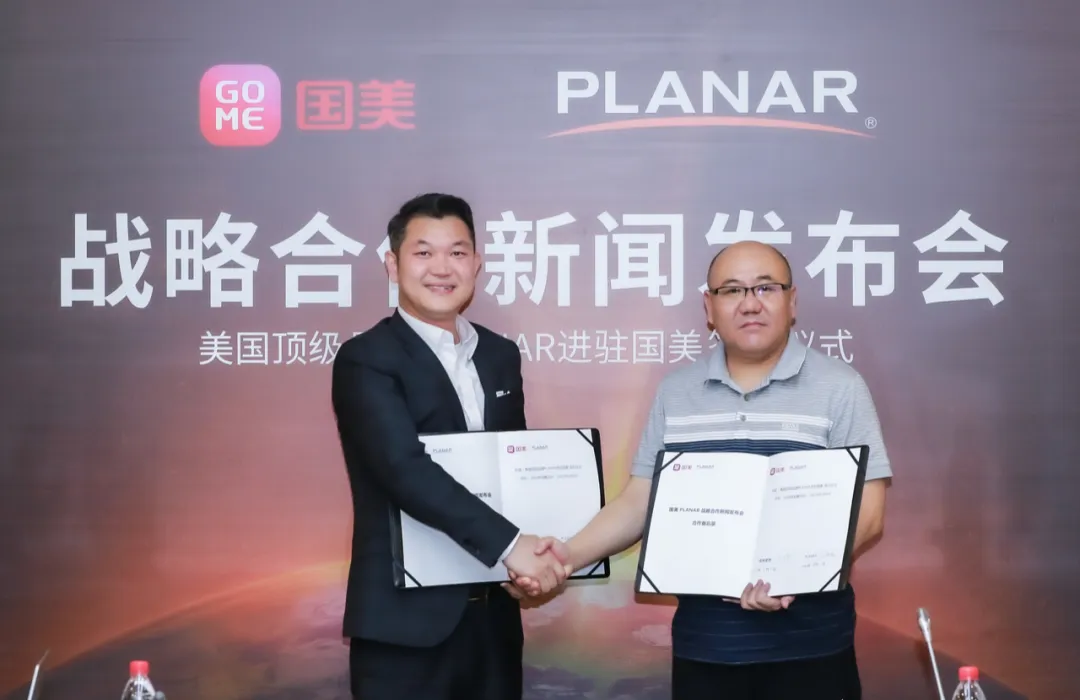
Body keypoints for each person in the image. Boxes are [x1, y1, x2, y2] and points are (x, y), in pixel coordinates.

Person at [507, 241, 892, 700]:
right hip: (707, 648)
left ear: (792, 301)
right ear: (709, 307)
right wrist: (564, 557)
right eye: (732, 290)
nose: (750, 303)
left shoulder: (841, 388)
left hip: (812, 649)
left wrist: (792, 577)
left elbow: (868, 515)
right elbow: (639, 503)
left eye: (765, 287)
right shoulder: (677, 393)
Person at [331, 192, 572, 700]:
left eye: (457, 253)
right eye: (423, 252)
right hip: (404, 628)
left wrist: (537, 554)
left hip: (493, 620)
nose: (442, 268)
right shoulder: (366, 359)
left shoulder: (499, 355)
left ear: (477, 264)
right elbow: (403, 469)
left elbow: (514, 468)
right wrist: (514, 546)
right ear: (393, 265)